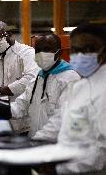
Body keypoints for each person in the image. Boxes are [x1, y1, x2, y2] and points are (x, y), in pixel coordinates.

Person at [8, 33, 80, 142]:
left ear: (58, 53)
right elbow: (21, 105)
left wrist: (37, 140)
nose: (41, 53)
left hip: (55, 146)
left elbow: (62, 119)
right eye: (38, 50)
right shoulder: (39, 78)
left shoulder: (70, 79)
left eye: (47, 49)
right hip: (36, 144)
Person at [56, 24, 106, 175]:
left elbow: (102, 150)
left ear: (104, 51)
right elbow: (64, 124)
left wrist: (60, 168)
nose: (79, 55)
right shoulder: (80, 86)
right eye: (75, 50)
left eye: (88, 49)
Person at [0, 21, 39, 99]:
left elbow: (32, 78)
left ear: (9, 35)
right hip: (4, 107)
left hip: (25, 108)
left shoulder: (26, 53)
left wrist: (8, 89)